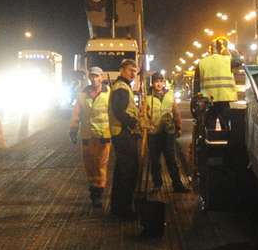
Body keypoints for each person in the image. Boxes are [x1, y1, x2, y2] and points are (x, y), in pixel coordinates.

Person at [68, 67, 111, 209]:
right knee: (89, 166)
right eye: (91, 76)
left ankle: (98, 193)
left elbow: (113, 114)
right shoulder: (82, 95)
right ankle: (93, 190)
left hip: (103, 136)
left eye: (96, 76)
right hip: (87, 136)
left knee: (100, 165)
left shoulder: (109, 93)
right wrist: (73, 130)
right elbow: (76, 114)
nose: (94, 79)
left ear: (102, 77)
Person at [108, 58, 142, 218]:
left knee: (123, 170)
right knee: (127, 171)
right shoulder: (121, 88)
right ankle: (123, 209)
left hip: (124, 133)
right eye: (130, 70)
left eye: (135, 71)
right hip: (123, 133)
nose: (133, 74)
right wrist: (134, 122)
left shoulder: (124, 86)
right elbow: (119, 111)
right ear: (122, 70)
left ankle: (119, 207)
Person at [145, 72, 188, 192]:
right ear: (152, 83)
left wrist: (178, 126)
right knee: (155, 160)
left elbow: (176, 111)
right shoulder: (147, 97)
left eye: (161, 81)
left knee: (171, 159)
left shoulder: (170, 94)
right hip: (153, 133)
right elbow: (144, 115)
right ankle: (157, 185)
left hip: (168, 132)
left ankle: (177, 184)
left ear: (164, 83)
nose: (159, 84)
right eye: (156, 81)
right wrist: (146, 127)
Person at [196, 37, 236, 135]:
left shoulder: (202, 62)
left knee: (210, 127)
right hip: (224, 99)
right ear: (221, 49)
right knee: (226, 126)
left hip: (209, 100)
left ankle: (210, 147)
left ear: (209, 49)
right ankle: (227, 146)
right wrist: (231, 48)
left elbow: (197, 82)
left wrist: (197, 99)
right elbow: (239, 61)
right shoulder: (227, 60)